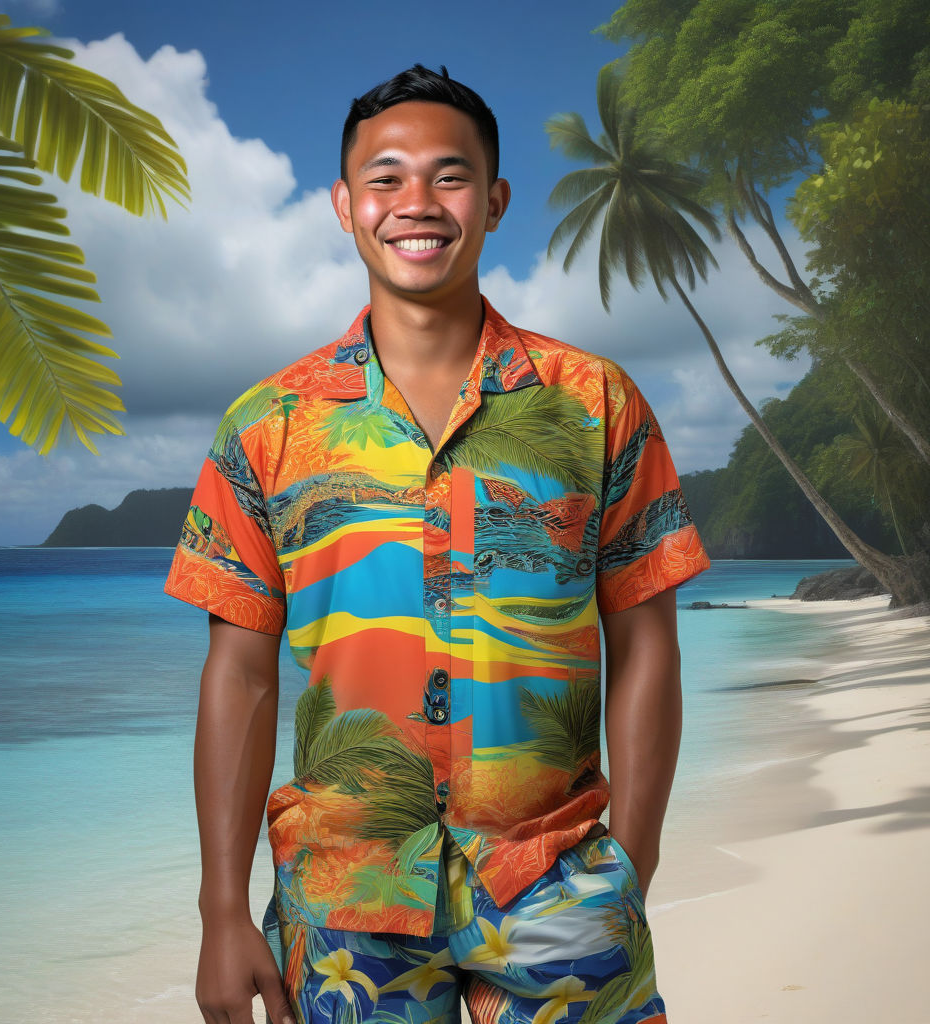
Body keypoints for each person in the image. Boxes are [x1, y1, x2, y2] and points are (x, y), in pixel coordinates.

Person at [165, 63, 710, 1024]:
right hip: (341, 900)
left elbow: (647, 639)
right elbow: (240, 674)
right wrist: (219, 910)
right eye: (386, 177)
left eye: (449, 176)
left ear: (495, 201)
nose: (417, 203)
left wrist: (633, 860)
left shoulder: (595, 404)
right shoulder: (267, 427)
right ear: (344, 204)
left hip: (558, 882)